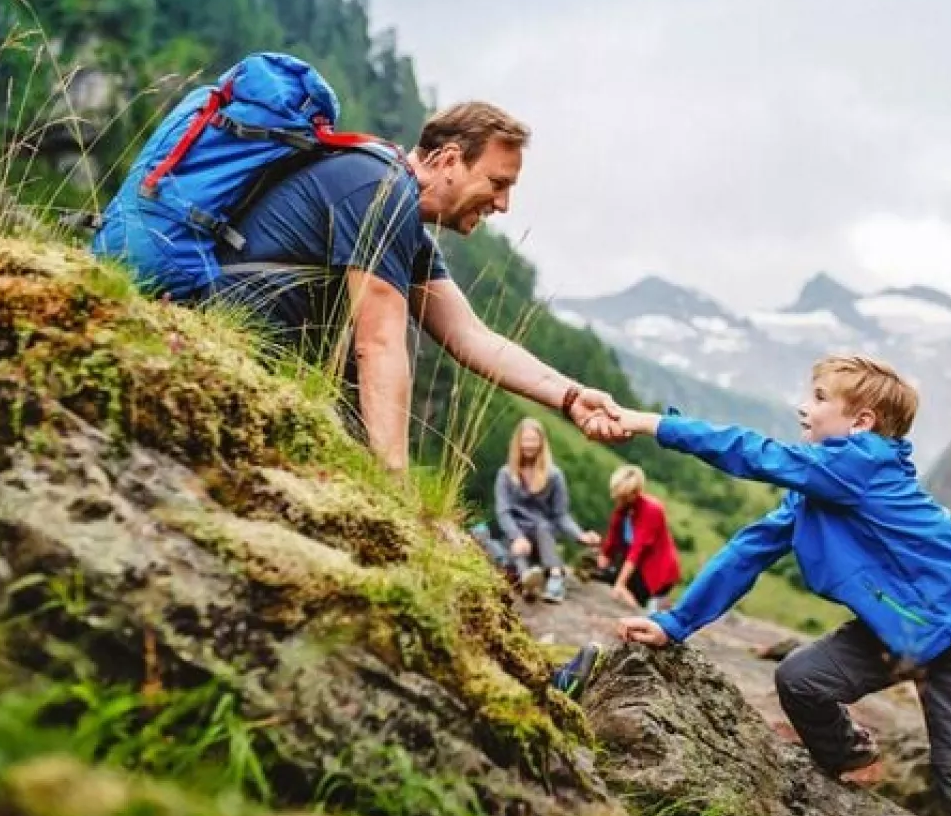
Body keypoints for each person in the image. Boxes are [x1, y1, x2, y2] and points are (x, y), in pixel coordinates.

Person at [609, 355, 951, 816]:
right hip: (896, 629)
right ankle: (853, 756)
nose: (803, 407)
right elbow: (747, 552)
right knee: (801, 679)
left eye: (819, 397)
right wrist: (674, 623)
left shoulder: (860, 465)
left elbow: (750, 452)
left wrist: (649, 423)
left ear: (861, 422)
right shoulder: (818, 488)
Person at [197, 100, 626, 463]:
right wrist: (394, 483)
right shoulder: (380, 191)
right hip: (231, 348)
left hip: (264, 358)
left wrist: (571, 397)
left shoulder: (403, 222)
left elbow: (469, 335)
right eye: (498, 183)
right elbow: (379, 343)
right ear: (450, 159)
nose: (503, 203)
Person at [493, 418, 599, 603]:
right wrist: (517, 536)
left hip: (544, 538)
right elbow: (503, 511)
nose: (529, 445)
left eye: (534, 440)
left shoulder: (554, 475)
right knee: (515, 549)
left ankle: (555, 577)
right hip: (517, 536)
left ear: (541, 443)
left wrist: (580, 535)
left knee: (543, 526)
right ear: (518, 443)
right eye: (525, 440)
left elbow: (561, 515)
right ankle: (527, 579)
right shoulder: (505, 474)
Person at [595, 465, 681, 610]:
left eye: (623, 497)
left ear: (635, 493)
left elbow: (637, 550)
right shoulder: (623, 510)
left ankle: (641, 611)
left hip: (655, 571)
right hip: (636, 565)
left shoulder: (651, 510)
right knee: (601, 574)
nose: (619, 500)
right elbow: (612, 537)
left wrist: (620, 584)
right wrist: (604, 555)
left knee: (624, 589)